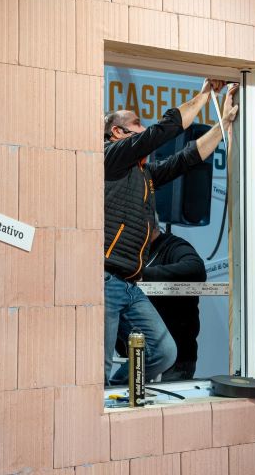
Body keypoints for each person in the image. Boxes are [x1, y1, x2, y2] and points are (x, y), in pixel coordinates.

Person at [103, 79, 238, 385]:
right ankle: (104, 404)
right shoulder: (111, 157)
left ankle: (118, 392)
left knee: (162, 352)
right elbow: (163, 130)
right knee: (100, 365)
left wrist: (224, 123)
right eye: (137, 124)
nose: (143, 128)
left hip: (128, 282)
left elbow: (188, 158)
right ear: (118, 132)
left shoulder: (143, 174)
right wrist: (205, 96)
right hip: (107, 279)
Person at [139, 227, 207, 381]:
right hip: (139, 357)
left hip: (176, 361)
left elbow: (196, 269)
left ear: (150, 227)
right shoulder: (135, 253)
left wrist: (142, 274)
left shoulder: (174, 246)